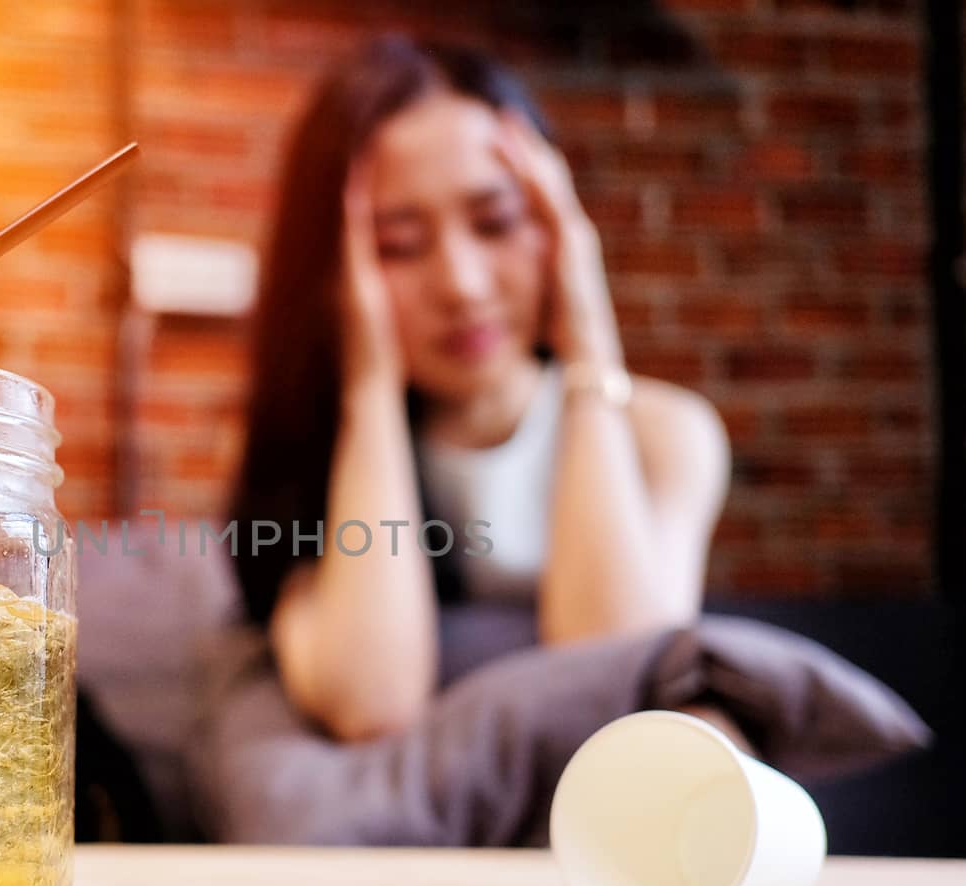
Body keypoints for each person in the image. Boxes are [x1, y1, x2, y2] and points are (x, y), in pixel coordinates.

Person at [229, 35, 747, 749]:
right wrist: (370, 390)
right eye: (399, 244)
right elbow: (370, 702)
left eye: (497, 222)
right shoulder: (318, 466)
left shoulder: (665, 434)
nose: (462, 286)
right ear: (331, 272)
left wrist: (590, 343)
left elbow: (620, 688)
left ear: (557, 230)